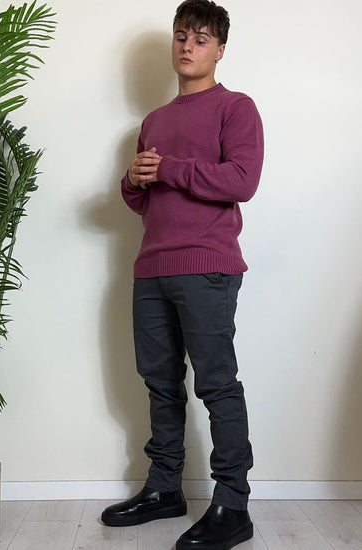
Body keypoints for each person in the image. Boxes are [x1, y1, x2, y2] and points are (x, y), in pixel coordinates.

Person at [101, 1, 264, 548]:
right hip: (151, 267)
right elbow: (143, 202)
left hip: (207, 266)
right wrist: (133, 179)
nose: (187, 46)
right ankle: (165, 489)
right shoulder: (153, 122)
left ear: (219, 50)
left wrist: (169, 168)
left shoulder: (236, 107)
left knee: (216, 384)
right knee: (160, 383)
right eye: (180, 36)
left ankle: (233, 505)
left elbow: (241, 180)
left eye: (199, 38)